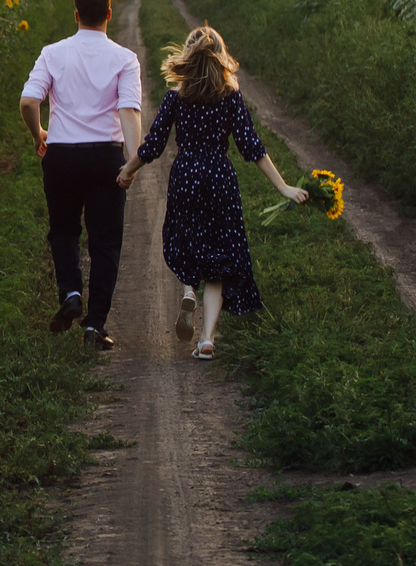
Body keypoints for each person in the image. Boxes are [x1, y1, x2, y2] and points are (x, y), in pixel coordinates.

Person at [116, 25, 306, 360]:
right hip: (219, 177)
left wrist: (127, 170)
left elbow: (154, 145)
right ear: (220, 57)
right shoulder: (230, 97)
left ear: (188, 56)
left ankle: (189, 289)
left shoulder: (176, 96)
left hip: (186, 175)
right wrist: (284, 187)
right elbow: (252, 147)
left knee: (184, 241)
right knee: (218, 260)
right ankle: (207, 340)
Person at [19, 0, 143, 351]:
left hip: (61, 156)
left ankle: (71, 292)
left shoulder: (53, 53)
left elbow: (28, 102)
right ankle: (95, 325)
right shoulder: (124, 58)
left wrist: (38, 134)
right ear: (109, 15)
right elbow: (129, 111)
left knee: (63, 230)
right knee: (105, 243)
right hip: (105, 156)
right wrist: (132, 160)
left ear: (75, 15)